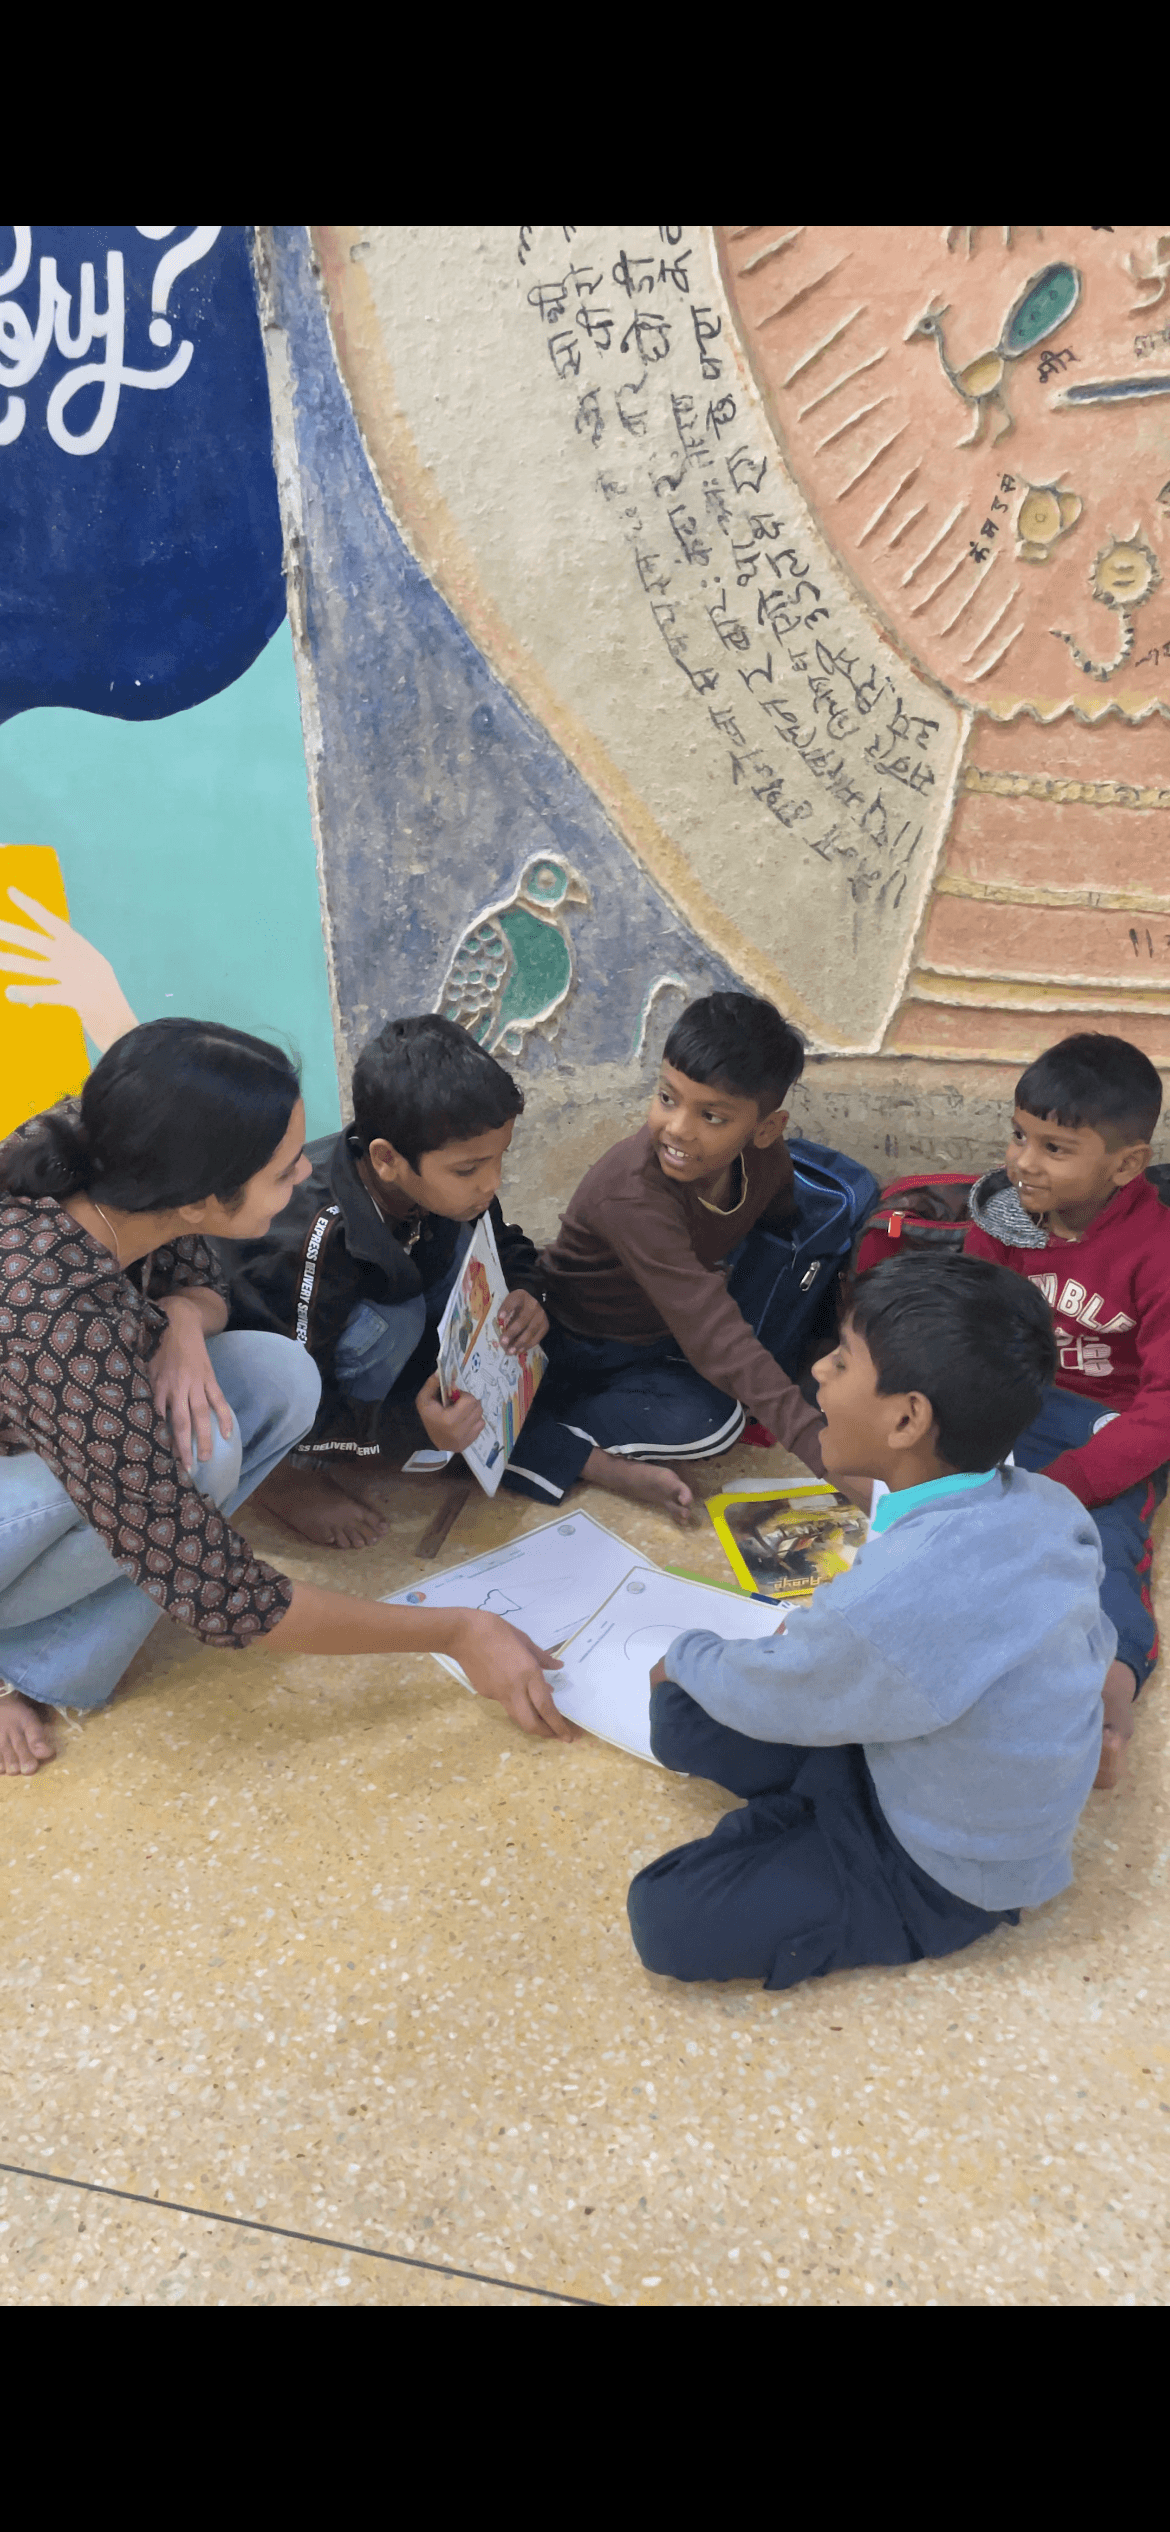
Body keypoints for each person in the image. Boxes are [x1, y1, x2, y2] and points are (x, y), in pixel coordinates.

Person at [0, 1021, 571, 1778]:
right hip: (38, 1443)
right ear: (204, 1194)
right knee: (194, 1465)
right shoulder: (57, 1310)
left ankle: (41, 1659)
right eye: (281, 1170)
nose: (306, 1175)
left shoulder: (126, 1157)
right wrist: (457, 1631)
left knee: (272, 1380)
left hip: (51, 1426)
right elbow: (220, 1591)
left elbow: (198, 1282)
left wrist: (180, 1323)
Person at [627, 1255, 1112, 1992]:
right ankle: (818, 1805)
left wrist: (686, 1655)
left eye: (843, 1359)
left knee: (663, 1914)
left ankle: (817, 1823)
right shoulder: (1046, 1505)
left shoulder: (899, 1599)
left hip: (949, 1872)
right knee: (684, 1719)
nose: (819, 1370)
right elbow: (1082, 1639)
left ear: (908, 1417)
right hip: (914, 1758)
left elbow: (810, 1671)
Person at [221, 1016, 548, 1547]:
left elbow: (501, 1239)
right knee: (394, 1324)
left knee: (463, 1251)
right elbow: (296, 1387)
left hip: (362, 1309)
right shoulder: (317, 1238)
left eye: (499, 1160)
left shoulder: (450, 1182)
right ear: (386, 1159)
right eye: (469, 1170)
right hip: (273, 1372)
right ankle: (283, 1480)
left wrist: (527, 1290)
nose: (492, 1182)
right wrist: (418, 1434)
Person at [504, 992, 829, 1523]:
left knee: (719, 1408)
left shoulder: (767, 1161)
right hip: (572, 1344)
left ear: (764, 1128)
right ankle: (571, 1452)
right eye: (667, 1098)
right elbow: (710, 1329)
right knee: (716, 1418)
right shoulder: (633, 1195)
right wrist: (825, 1455)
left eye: (713, 1117)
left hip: (655, 1339)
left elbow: (780, 1223)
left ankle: (540, 1427)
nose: (678, 1129)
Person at [965, 1032, 1170, 1788]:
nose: (1023, 1161)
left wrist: (1074, 1482)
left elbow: (1163, 1409)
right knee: (944, 1500)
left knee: (1107, 1545)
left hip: (1110, 1425)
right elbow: (975, 1326)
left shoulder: (1158, 1250)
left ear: (1124, 1164)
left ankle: (1111, 1702)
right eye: (1020, 1135)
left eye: (1055, 1148)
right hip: (1016, 1394)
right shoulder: (1004, 1212)